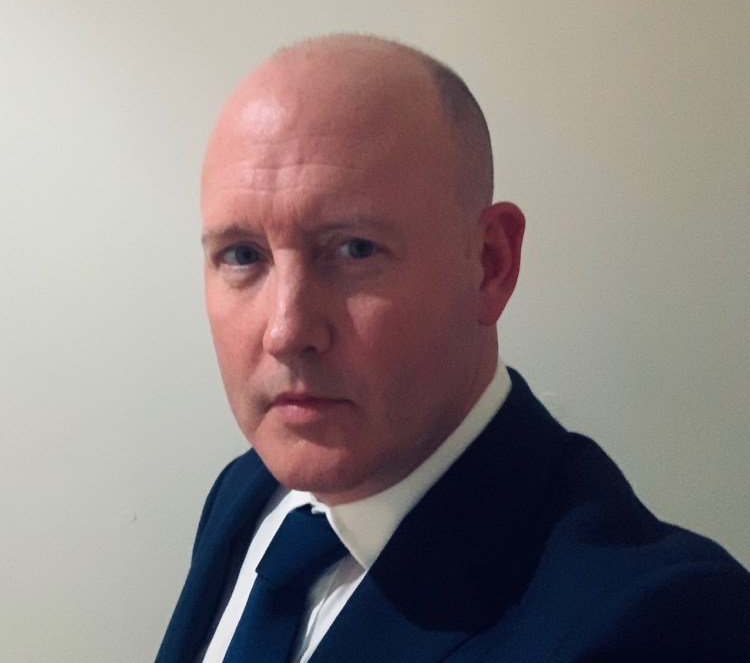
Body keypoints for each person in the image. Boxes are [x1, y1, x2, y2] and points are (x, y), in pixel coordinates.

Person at [156, 35, 750, 662]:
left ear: (491, 263)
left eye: (355, 249)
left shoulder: (663, 622)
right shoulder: (250, 492)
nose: (285, 331)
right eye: (242, 255)